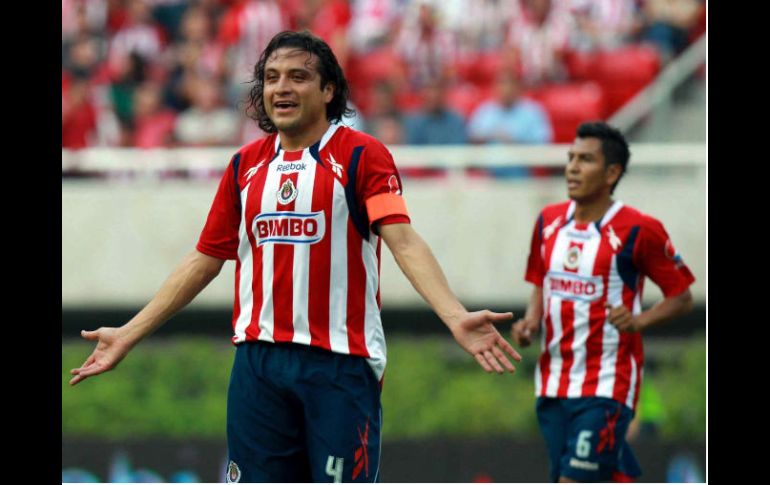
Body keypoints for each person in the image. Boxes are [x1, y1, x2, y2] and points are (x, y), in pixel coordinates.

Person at [70, 30, 521, 483]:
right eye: (271, 77)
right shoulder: (244, 166)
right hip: (257, 367)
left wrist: (454, 314)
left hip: (339, 363)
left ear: (328, 90)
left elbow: (403, 240)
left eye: (298, 76)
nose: (281, 88)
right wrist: (130, 332)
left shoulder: (362, 155)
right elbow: (204, 258)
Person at [511, 121, 694, 482]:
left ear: (612, 173)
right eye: (571, 158)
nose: (573, 168)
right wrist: (531, 320)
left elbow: (682, 297)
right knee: (605, 475)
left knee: (575, 479)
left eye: (586, 160)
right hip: (552, 383)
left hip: (607, 383)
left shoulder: (640, 229)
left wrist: (639, 321)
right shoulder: (548, 221)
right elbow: (540, 280)